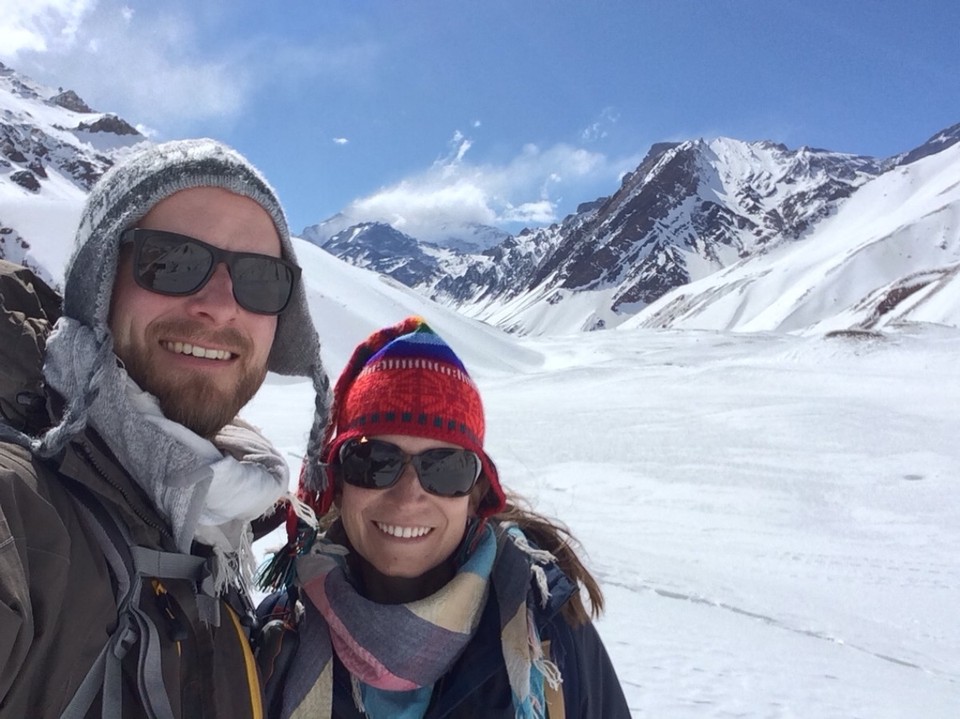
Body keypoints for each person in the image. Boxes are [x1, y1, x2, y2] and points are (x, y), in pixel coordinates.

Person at [0, 139, 331, 718]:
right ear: (98, 286)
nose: (221, 305)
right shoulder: (21, 514)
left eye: (260, 279)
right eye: (171, 261)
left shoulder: (213, 525)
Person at [256, 316, 630, 718]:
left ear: (476, 493)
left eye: (445, 469)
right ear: (340, 481)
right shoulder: (279, 636)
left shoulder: (545, 630)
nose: (408, 495)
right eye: (375, 462)